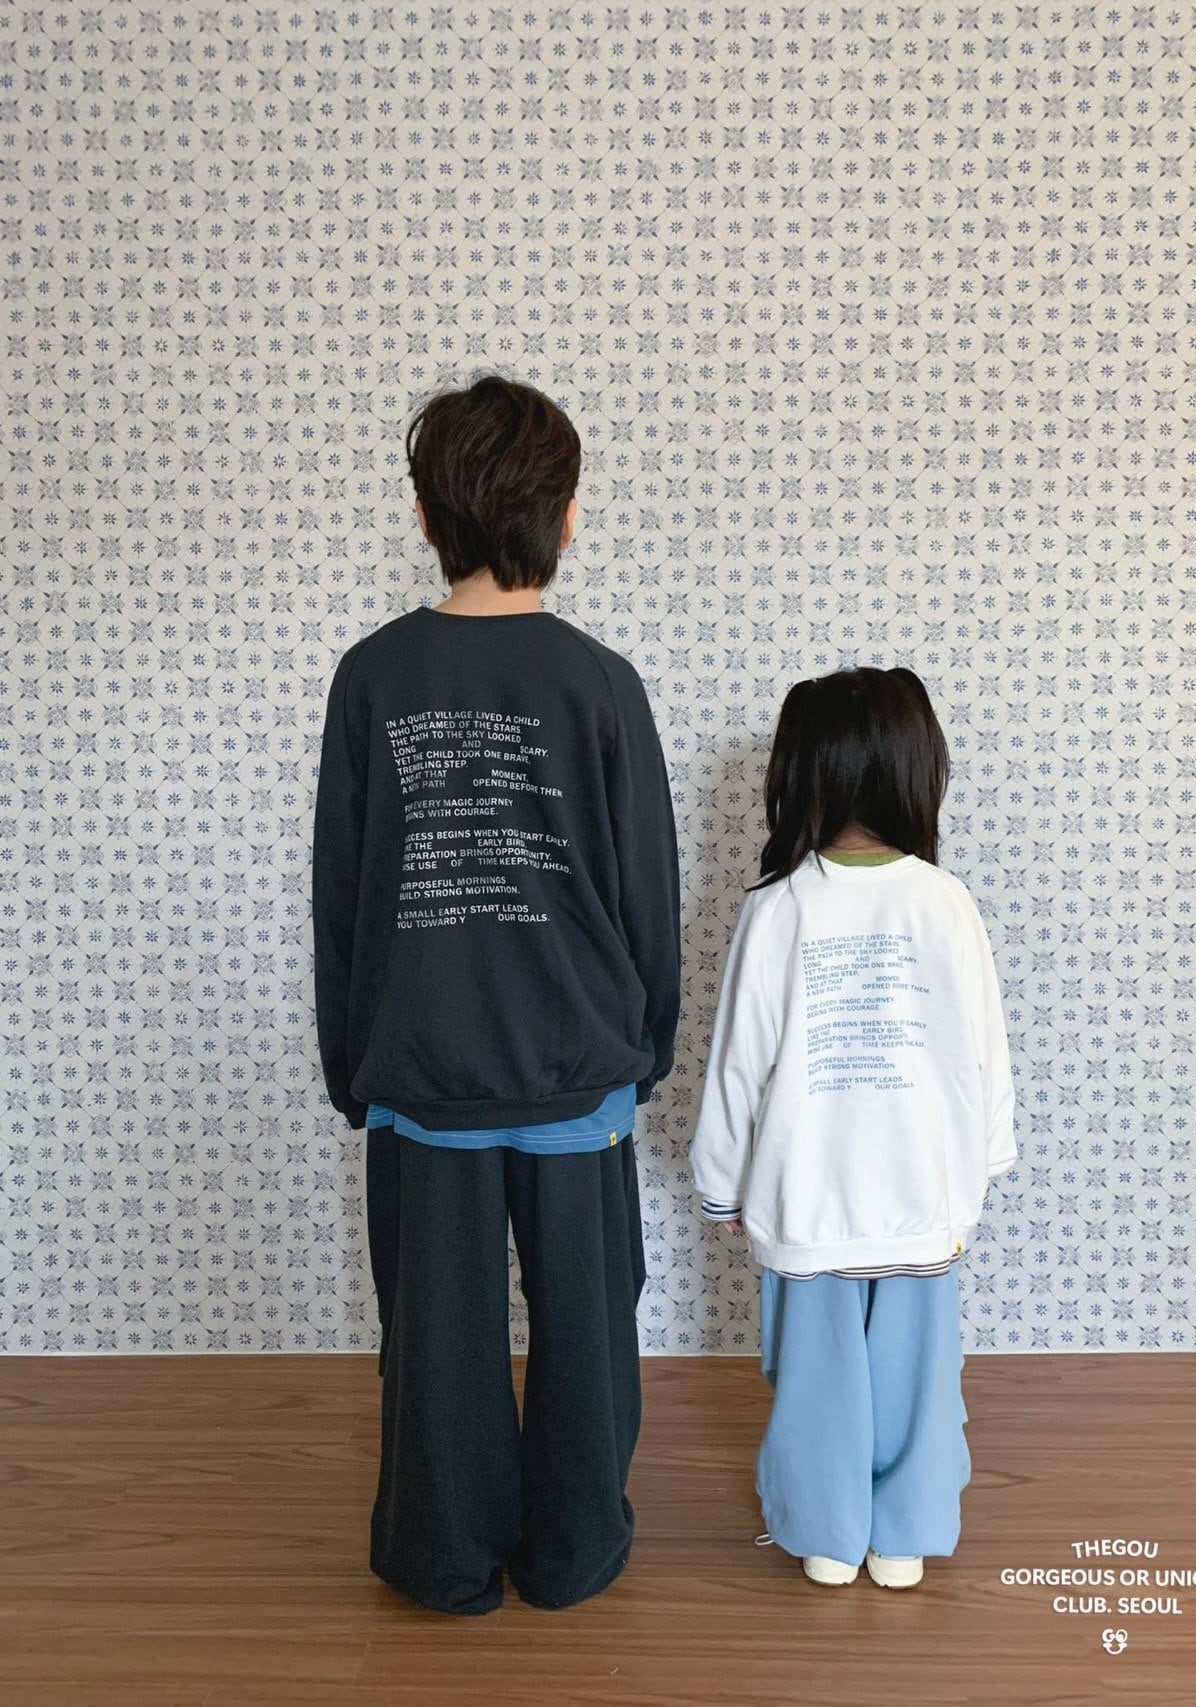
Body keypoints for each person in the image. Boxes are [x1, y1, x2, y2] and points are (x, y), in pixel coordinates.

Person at [311, 373, 681, 1615]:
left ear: (424, 516)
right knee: (588, 1329)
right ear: (566, 518)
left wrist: (351, 1067)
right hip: (578, 1070)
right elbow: (646, 890)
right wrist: (644, 1050)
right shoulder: (601, 682)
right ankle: (573, 1550)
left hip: (420, 1073)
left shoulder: (371, 677)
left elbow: (342, 894)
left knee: (436, 1340)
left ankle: (443, 1556)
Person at [690, 668, 1015, 1590]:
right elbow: (986, 1054)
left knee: (815, 1379)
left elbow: (738, 1065)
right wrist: (979, 1169)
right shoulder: (945, 901)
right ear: (917, 770)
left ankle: (827, 1533)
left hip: (809, 1196)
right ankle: (902, 1534)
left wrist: (723, 1183)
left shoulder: (779, 906)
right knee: (920, 1379)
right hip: (923, 1195)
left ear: (802, 772)